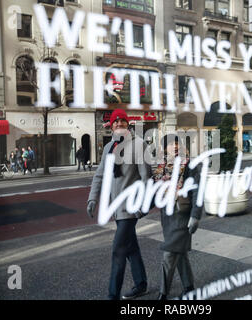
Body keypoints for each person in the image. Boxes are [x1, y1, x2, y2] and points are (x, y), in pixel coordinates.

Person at [86, 108, 152, 300]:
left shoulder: (139, 145)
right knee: (131, 247)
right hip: (115, 208)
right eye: (116, 122)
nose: (119, 125)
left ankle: (112, 295)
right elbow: (99, 175)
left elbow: (146, 178)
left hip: (130, 208)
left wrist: (143, 205)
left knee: (118, 250)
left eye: (122, 121)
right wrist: (92, 198)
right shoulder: (109, 147)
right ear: (112, 125)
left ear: (128, 123)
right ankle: (141, 284)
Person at [153, 134, 202, 300]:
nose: (174, 147)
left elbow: (197, 191)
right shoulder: (162, 167)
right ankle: (189, 288)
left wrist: (195, 216)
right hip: (166, 217)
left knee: (169, 254)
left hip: (182, 214)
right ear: (164, 149)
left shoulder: (190, 164)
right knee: (179, 253)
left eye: (176, 143)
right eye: (169, 144)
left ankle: (163, 293)